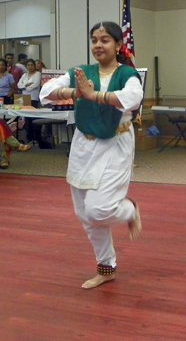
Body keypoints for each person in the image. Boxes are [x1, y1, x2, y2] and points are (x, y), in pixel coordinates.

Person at [39, 21, 143, 289]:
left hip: (115, 144)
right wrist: (75, 92)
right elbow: (45, 93)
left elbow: (131, 99)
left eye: (105, 40)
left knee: (100, 209)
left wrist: (94, 95)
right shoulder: (80, 73)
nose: (98, 44)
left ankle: (129, 209)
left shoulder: (127, 74)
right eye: (95, 40)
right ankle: (106, 267)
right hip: (83, 146)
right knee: (85, 214)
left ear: (118, 45)